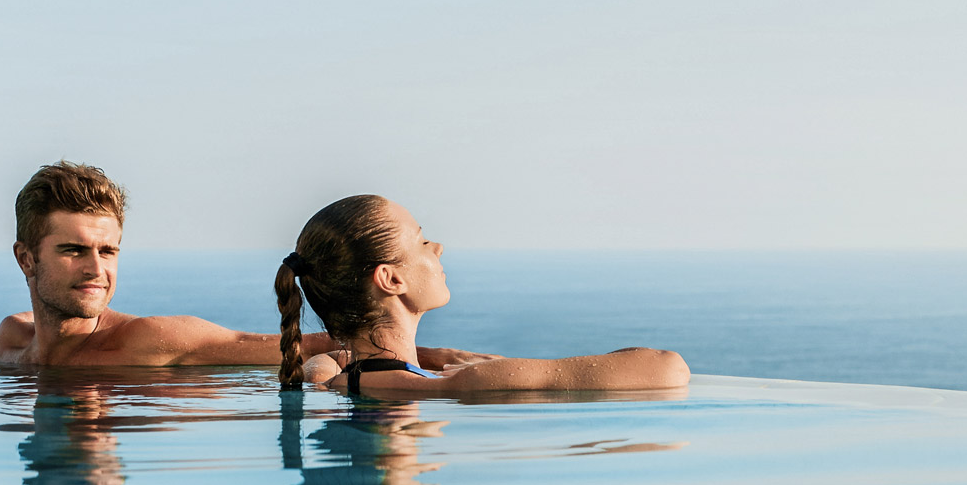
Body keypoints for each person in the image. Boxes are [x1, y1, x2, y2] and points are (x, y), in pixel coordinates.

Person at [0, 162, 494, 369]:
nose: (96, 268)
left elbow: (285, 346)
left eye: (108, 250)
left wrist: (431, 355)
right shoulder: (10, 342)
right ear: (26, 259)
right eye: (73, 250)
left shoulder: (150, 341)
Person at [276, 194, 690, 394]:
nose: (436, 248)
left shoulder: (336, 380)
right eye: (421, 242)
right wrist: (474, 368)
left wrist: (434, 357)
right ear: (391, 280)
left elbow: (326, 361)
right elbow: (669, 369)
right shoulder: (463, 383)